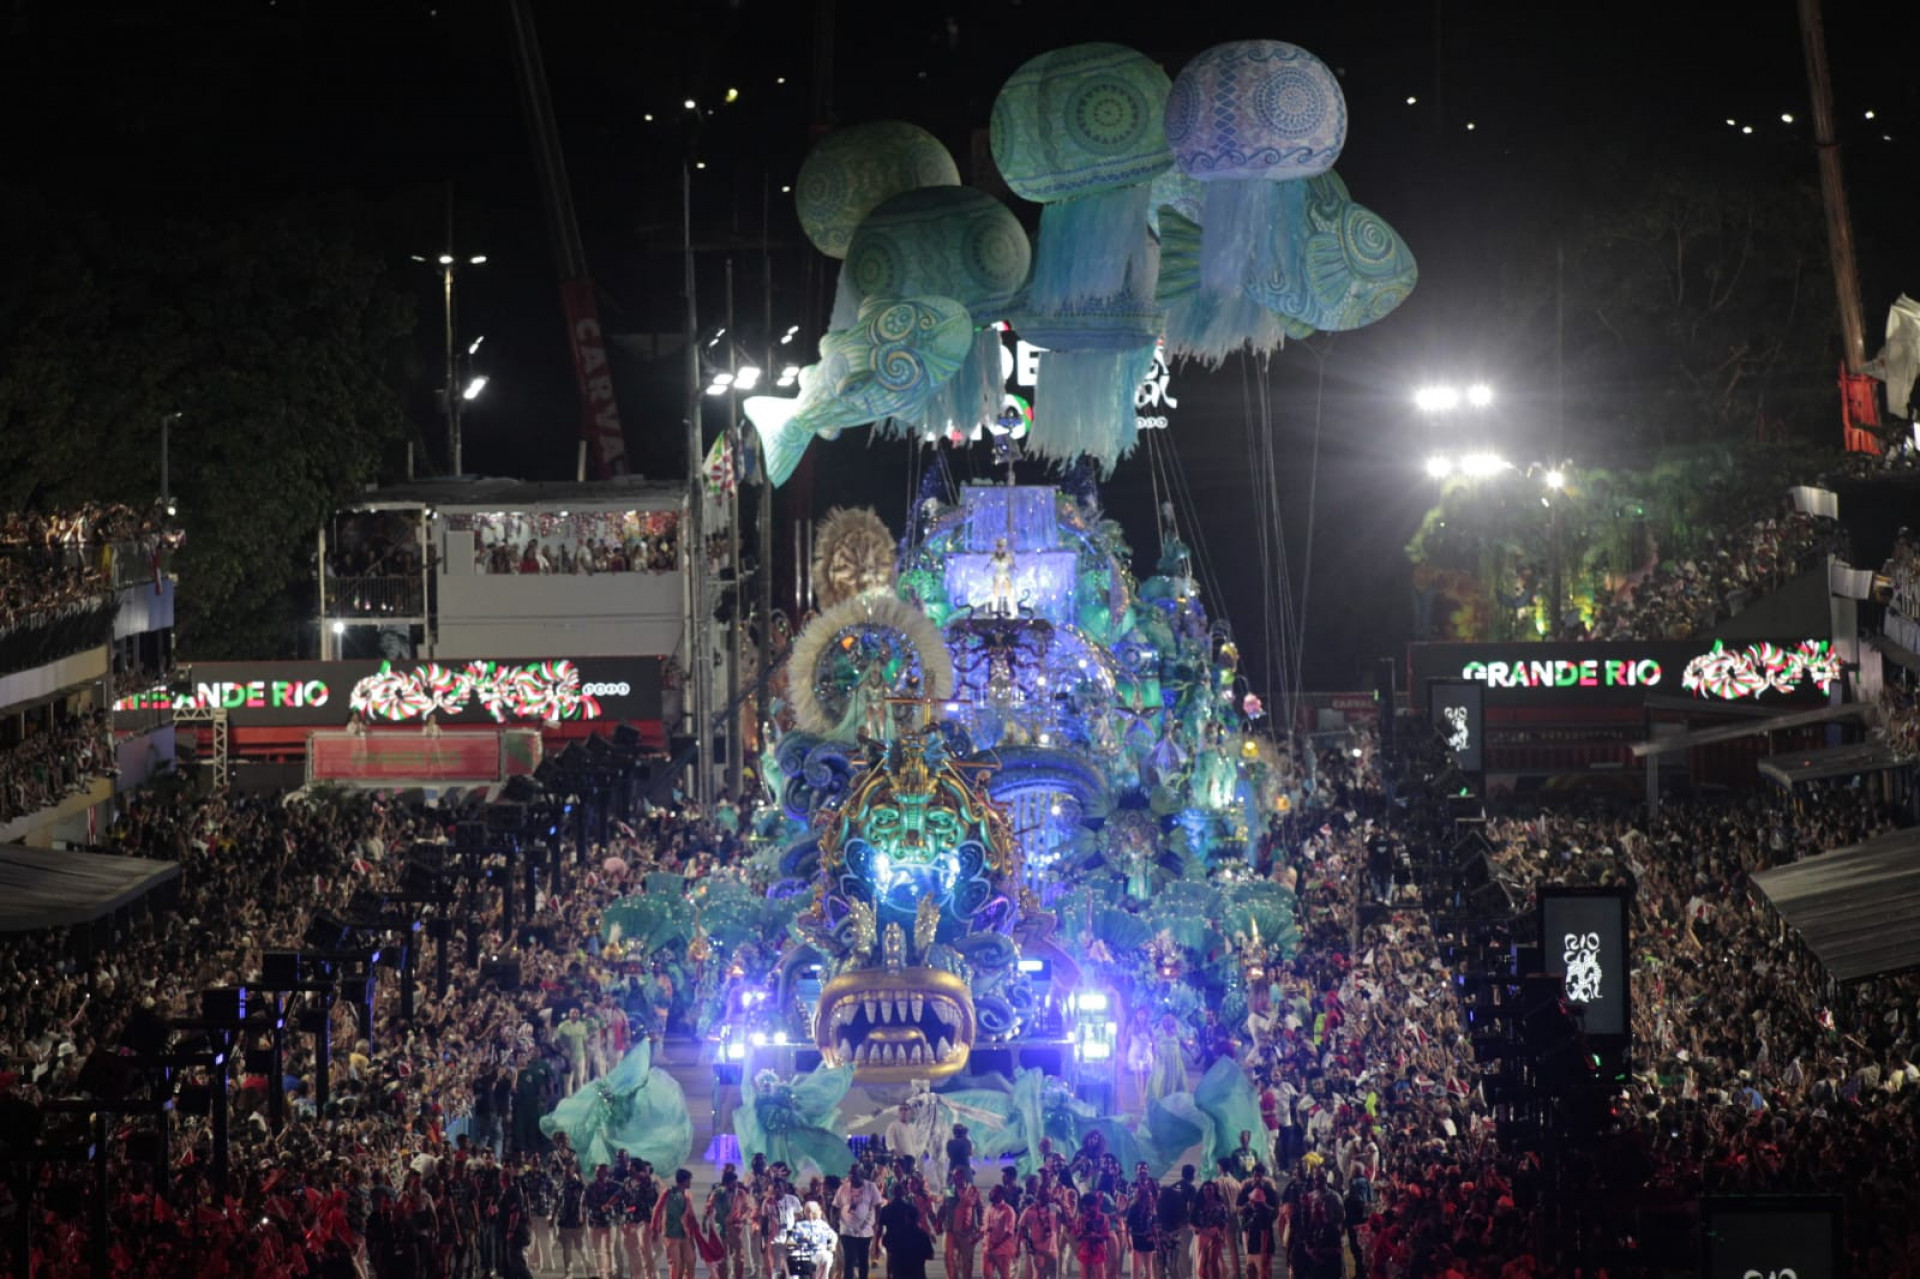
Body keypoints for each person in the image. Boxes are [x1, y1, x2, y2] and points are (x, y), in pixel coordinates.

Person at [835, 1166, 883, 1279]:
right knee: (849, 1260)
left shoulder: (871, 1187)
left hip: (865, 1231)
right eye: (851, 1174)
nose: (853, 1177)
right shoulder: (843, 1188)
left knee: (863, 1259)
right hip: (846, 1231)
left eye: (855, 1174)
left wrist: (876, 1222)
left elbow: (878, 1205)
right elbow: (836, 1205)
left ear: (861, 1174)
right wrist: (835, 1221)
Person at [880, 1183, 933, 1279]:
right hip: (917, 1273)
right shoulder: (922, 1235)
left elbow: (880, 1228)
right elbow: (930, 1255)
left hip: (893, 1242)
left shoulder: (886, 1209)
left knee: (891, 1260)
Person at [653, 1168, 699, 1279]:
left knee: (690, 1259)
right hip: (671, 1232)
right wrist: (654, 1228)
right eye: (688, 1180)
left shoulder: (687, 1195)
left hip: (685, 1233)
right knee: (675, 1263)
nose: (690, 1182)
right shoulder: (668, 1193)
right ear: (683, 1181)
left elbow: (690, 1214)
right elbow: (657, 1210)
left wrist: (695, 1228)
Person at [1156, 1165, 1196, 1279]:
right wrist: (1190, 1221)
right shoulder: (1191, 1188)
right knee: (1184, 1253)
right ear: (1192, 1175)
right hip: (1183, 1224)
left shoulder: (1173, 1186)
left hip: (1170, 1226)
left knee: (1169, 1259)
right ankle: (1184, 1276)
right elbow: (1191, 1206)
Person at [710, 1167, 750, 1279]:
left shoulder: (741, 1193)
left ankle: (738, 1276)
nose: (735, 1185)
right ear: (726, 1183)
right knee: (723, 1255)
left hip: (737, 1228)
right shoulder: (718, 1194)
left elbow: (747, 1208)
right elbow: (710, 1208)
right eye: (733, 1183)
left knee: (739, 1253)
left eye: (736, 1183)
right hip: (722, 1228)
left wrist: (743, 1218)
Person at [946, 1172, 984, 1279]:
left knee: (967, 1262)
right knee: (951, 1261)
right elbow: (945, 1206)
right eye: (955, 1177)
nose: (957, 1180)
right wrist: (939, 1222)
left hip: (967, 1232)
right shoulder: (950, 1190)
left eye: (959, 1177)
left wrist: (981, 1225)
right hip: (952, 1231)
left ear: (965, 1178)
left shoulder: (974, 1190)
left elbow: (980, 1208)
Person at [1016, 1181, 1057, 1279]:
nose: (1048, 1197)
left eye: (1049, 1194)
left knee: (1053, 1276)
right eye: (1045, 1195)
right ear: (1039, 1196)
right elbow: (1021, 1228)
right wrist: (1017, 1247)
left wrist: (1062, 1204)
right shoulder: (1030, 1210)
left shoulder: (1054, 1208)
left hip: (1052, 1250)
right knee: (1039, 1275)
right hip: (1038, 1250)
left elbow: (1067, 1221)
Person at [587, 1163, 622, 1279]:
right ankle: (601, 1273)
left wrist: (613, 1209)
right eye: (597, 1172)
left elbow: (621, 1196)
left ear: (606, 1173)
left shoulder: (614, 1187)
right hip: (594, 1221)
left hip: (609, 1221)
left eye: (600, 1172)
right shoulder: (590, 1187)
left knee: (608, 1249)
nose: (598, 1174)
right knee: (596, 1250)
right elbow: (585, 1203)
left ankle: (610, 1272)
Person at [790, 1201, 841, 1279]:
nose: (810, 1214)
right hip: (804, 1252)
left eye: (812, 1211)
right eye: (808, 1211)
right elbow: (792, 1240)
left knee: (827, 1256)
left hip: (820, 1252)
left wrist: (832, 1245)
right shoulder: (800, 1225)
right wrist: (800, 1240)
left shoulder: (822, 1225)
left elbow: (833, 1235)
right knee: (793, 1257)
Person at [556, 1163, 589, 1279]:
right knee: (566, 1249)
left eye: (568, 1171)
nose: (566, 1173)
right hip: (564, 1221)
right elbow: (557, 1202)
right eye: (564, 1171)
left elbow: (584, 1204)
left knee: (580, 1248)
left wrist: (584, 1219)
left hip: (576, 1221)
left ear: (573, 1171)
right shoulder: (561, 1185)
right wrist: (554, 1217)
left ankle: (587, 1268)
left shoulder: (579, 1185)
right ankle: (568, 1272)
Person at [1123, 1167, 1157, 1279]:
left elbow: (1153, 1226)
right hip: (1136, 1237)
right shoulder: (1134, 1207)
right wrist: (1128, 1243)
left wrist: (1156, 1240)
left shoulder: (1150, 1208)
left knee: (1148, 1268)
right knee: (1136, 1268)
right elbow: (1127, 1226)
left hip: (1148, 1238)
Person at [1191, 1182, 1228, 1279]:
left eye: (1210, 1190)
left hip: (1215, 1235)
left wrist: (1222, 1235)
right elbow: (1191, 1222)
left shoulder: (1220, 1206)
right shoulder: (1198, 1205)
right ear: (1203, 1191)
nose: (1208, 1192)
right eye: (1206, 1190)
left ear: (1214, 1191)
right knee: (1202, 1265)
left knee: (1213, 1263)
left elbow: (1224, 1222)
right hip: (1201, 1236)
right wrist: (1200, 1230)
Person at [1240, 1185, 1275, 1279]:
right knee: (1251, 1271)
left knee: (1262, 1272)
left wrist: (1263, 1253)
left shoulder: (1262, 1214)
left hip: (1260, 1249)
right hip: (1253, 1248)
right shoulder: (1253, 1212)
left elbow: (1264, 1234)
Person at [984, 1185, 1019, 1279]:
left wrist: (996, 1244)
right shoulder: (988, 1209)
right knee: (986, 1274)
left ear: (1002, 1195)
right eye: (992, 1192)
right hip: (988, 1249)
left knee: (1005, 1276)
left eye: (995, 1192)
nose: (992, 1194)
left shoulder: (1008, 1211)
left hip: (1002, 1250)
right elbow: (985, 1228)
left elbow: (1009, 1232)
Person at [1074, 1193, 1112, 1279]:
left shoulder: (1103, 1218)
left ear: (1096, 1205)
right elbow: (1077, 1237)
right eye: (1085, 1207)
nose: (1087, 1210)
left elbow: (1105, 1237)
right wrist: (1083, 1231)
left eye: (1089, 1206)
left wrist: (1094, 1235)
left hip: (1099, 1253)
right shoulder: (1081, 1219)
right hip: (1084, 1253)